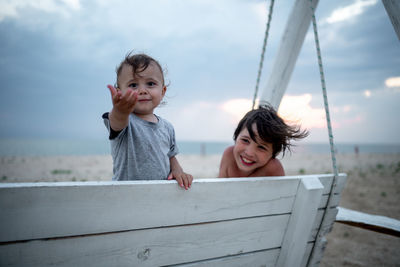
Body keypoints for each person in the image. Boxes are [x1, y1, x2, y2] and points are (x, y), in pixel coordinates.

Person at [102, 52, 192, 189]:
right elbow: (117, 121)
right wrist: (120, 110)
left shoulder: (167, 127)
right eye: (133, 85)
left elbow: (171, 155)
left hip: (160, 195)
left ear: (163, 91)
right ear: (119, 92)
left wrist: (177, 170)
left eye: (150, 84)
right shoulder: (126, 121)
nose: (142, 91)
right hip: (126, 195)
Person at [219, 105, 308, 178]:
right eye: (245, 140)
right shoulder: (229, 155)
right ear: (236, 136)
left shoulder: (273, 168)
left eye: (261, 147)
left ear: (273, 154)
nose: (249, 153)